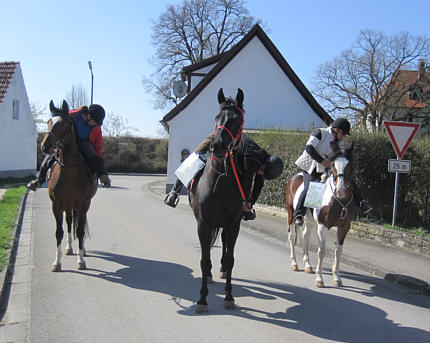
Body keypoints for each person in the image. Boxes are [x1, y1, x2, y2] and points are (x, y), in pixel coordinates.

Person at [164, 133, 284, 221]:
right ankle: (175, 191)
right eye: (262, 170)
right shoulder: (253, 159)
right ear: (265, 163)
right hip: (220, 138)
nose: (261, 173)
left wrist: (250, 203)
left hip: (234, 149)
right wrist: (244, 203)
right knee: (195, 158)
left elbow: (259, 184)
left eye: (263, 174)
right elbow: (246, 181)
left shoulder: (262, 164)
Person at [292, 118, 373, 226]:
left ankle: (362, 202)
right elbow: (309, 148)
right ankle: (299, 215)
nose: (343, 136)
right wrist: (322, 161)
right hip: (311, 166)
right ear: (336, 129)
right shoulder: (320, 133)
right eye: (343, 133)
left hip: (326, 168)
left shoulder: (339, 142)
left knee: (347, 181)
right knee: (310, 188)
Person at [26, 104, 111, 191]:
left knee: (90, 152)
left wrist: (98, 161)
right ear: (89, 116)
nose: (95, 124)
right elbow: (59, 127)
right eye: (95, 121)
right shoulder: (72, 116)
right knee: (49, 159)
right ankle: (39, 180)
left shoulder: (96, 127)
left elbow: (98, 147)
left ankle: (103, 176)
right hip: (66, 142)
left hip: (84, 144)